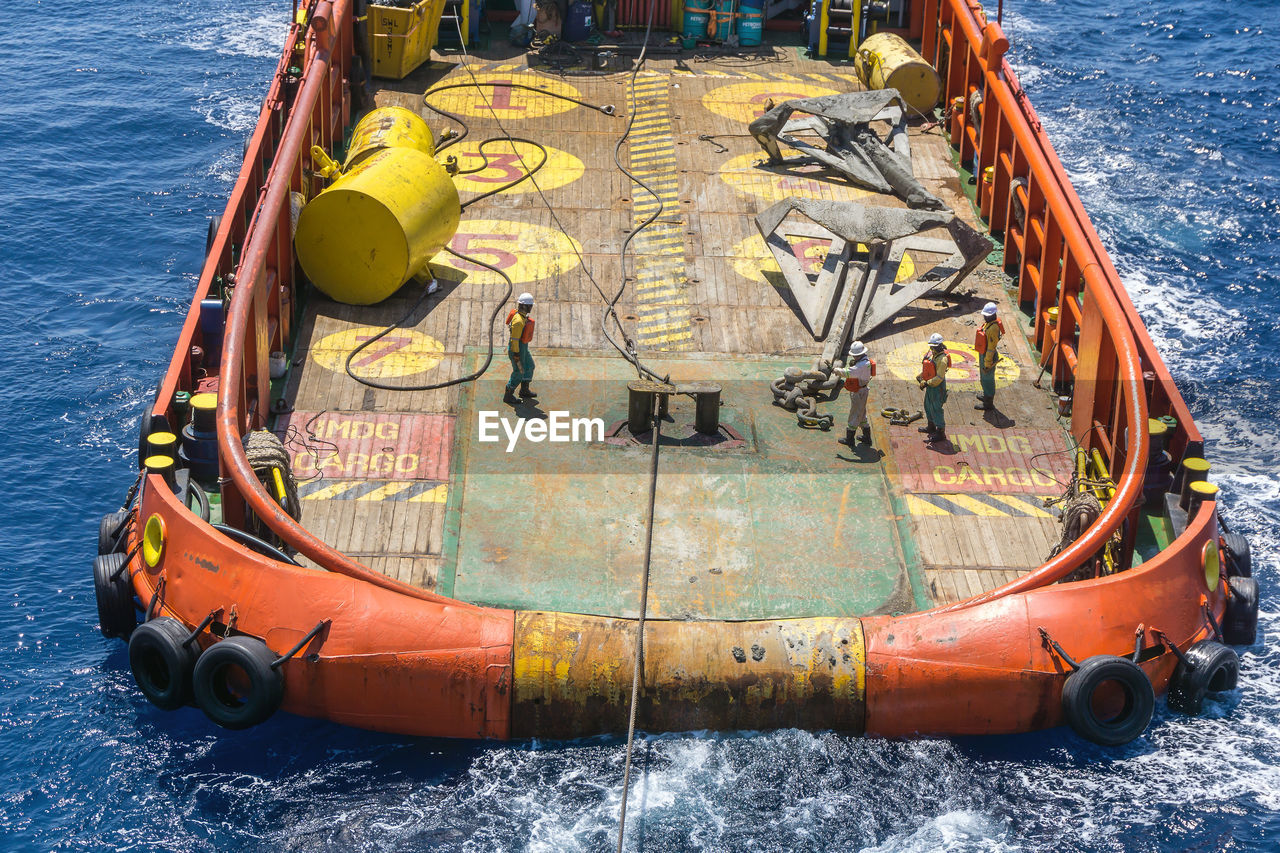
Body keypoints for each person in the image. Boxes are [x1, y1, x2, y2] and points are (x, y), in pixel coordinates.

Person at [835, 341, 874, 448]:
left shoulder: (860, 365)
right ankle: (867, 438)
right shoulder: (866, 361)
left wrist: (835, 370)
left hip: (858, 392)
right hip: (863, 389)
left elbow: (848, 372)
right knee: (861, 414)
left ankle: (850, 439)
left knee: (854, 414)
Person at [916, 332, 951, 442]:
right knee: (928, 405)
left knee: (936, 408)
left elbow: (939, 378)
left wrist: (926, 383)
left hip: (937, 387)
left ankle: (941, 432)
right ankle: (931, 426)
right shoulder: (933, 355)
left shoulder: (942, 359)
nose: (931, 348)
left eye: (933, 346)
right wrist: (921, 377)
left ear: (939, 346)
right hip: (931, 385)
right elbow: (929, 369)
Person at [503, 292, 537, 405]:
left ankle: (524, 390)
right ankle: (508, 395)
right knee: (519, 371)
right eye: (530, 305)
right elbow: (514, 340)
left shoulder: (522, 317)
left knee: (530, 366)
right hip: (517, 350)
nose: (531, 307)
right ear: (524, 306)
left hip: (523, 349)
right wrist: (516, 355)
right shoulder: (518, 321)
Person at [974, 301, 1004, 411]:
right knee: (984, 378)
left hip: (988, 356)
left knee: (988, 380)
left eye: (986, 316)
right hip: (984, 354)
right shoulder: (990, 324)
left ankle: (988, 403)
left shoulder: (993, 329)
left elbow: (991, 348)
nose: (984, 317)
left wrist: (987, 363)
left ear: (992, 315)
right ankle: (986, 396)